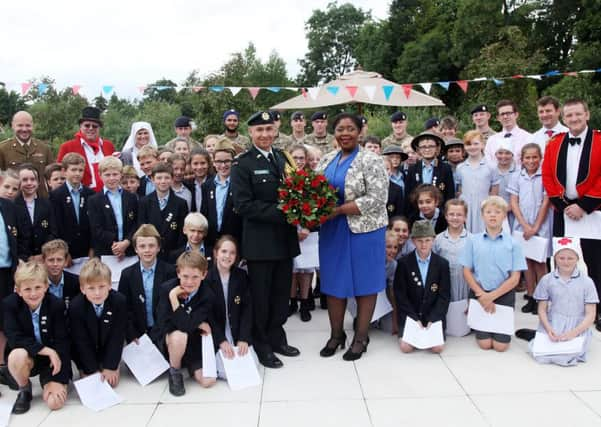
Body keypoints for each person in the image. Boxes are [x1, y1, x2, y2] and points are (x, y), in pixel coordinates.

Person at [231, 111, 300, 368]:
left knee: (281, 296)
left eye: (269, 129)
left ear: (275, 131)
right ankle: (261, 344)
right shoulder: (243, 164)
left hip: (284, 241)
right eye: (259, 130)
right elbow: (243, 205)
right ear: (250, 133)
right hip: (260, 244)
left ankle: (277, 337)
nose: (265, 135)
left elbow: (296, 189)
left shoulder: (283, 158)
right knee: (261, 298)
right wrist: (284, 211)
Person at [317, 112, 388, 361]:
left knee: (365, 283)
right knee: (334, 284)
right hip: (332, 230)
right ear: (333, 133)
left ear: (360, 132)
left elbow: (377, 199)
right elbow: (314, 191)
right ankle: (337, 335)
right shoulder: (326, 160)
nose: (345, 133)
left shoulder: (372, 160)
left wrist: (337, 210)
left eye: (350, 128)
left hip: (365, 231)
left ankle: (361, 337)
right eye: (340, 129)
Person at [541, 98, 601, 330]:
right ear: (563, 118)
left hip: (593, 211)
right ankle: (562, 308)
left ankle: (597, 310)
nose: (574, 119)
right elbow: (547, 176)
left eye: (578, 114)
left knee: (596, 264)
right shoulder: (554, 143)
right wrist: (564, 204)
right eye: (569, 116)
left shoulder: (598, 140)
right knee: (562, 263)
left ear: (587, 114)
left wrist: (584, 205)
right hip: (563, 211)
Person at [460, 196, 527, 351]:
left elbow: (515, 278)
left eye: (497, 212)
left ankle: (498, 331)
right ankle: (483, 328)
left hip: (503, 294)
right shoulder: (473, 241)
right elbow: (466, 271)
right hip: (479, 293)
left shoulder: (513, 243)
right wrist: (481, 294)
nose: (493, 215)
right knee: (485, 345)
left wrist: (491, 296)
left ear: (504, 216)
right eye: (488, 212)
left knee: (500, 346)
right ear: (482, 215)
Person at [3, 261, 70, 414]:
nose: (33, 294)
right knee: (16, 355)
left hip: (51, 361)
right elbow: (14, 338)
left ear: (46, 287)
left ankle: (48, 380)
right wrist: (46, 350)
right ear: (18, 290)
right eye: (27, 289)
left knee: (55, 403)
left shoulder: (56, 305)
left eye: (38, 287)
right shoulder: (10, 304)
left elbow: (63, 342)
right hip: (28, 356)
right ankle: (24, 388)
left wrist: (60, 378)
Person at [529, 237, 599, 366]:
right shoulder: (547, 280)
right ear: (555, 258)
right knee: (542, 354)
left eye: (570, 258)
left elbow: (590, 314)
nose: (566, 262)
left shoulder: (587, 282)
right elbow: (542, 309)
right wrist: (549, 328)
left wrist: (574, 333)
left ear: (577, 259)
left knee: (568, 356)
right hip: (553, 322)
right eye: (561, 258)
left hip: (577, 325)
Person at [155, 251, 215, 396]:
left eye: (195, 277)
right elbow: (163, 324)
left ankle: (188, 364)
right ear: (178, 273)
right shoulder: (167, 289)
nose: (189, 282)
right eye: (185, 276)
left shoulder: (207, 295)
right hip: (171, 341)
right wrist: (173, 298)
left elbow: (186, 325)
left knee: (208, 381)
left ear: (204, 274)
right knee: (179, 336)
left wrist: (188, 322)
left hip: (193, 344)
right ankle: (175, 371)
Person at [394, 220, 450, 353]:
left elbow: (444, 296)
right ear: (413, 241)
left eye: (427, 240)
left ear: (433, 240)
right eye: (419, 240)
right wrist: (414, 319)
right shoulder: (404, 263)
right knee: (406, 348)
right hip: (411, 315)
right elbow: (400, 295)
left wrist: (433, 318)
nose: (424, 244)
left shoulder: (442, 264)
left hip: (432, 316)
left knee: (437, 348)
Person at [68, 258, 126, 387]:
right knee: (93, 382)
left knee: (111, 382)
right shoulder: (76, 306)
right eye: (91, 288)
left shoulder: (119, 301)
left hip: (106, 347)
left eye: (101, 287)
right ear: (82, 289)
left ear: (110, 285)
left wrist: (111, 366)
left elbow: (117, 336)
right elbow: (80, 341)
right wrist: (91, 370)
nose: (97, 293)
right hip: (85, 350)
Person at [508, 143, 551, 314]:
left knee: (540, 262)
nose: (531, 160)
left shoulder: (545, 175)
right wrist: (525, 225)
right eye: (527, 157)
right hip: (521, 225)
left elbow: (546, 201)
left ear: (540, 158)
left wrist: (535, 227)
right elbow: (513, 201)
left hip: (541, 224)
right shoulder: (517, 176)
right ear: (522, 159)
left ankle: (543, 298)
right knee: (526, 262)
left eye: (535, 157)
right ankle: (531, 295)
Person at [119, 224, 177, 344]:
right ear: (136, 249)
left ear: (158, 247)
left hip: (164, 332)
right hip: (138, 335)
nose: (147, 250)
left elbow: (173, 306)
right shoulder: (127, 275)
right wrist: (131, 334)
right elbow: (124, 308)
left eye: (151, 245)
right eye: (142, 246)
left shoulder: (170, 272)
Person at [206, 236, 252, 369]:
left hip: (237, 330)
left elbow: (247, 309)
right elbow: (208, 315)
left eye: (232, 252)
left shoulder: (241, 276)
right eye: (224, 251)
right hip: (218, 331)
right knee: (223, 369)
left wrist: (243, 338)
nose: (228, 256)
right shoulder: (207, 278)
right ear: (216, 253)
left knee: (247, 366)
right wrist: (221, 340)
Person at [87, 157, 138, 257]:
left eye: (115, 174)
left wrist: (126, 243)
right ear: (100, 176)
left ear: (121, 175)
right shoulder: (94, 200)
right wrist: (116, 246)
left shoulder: (131, 197)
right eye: (107, 175)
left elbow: (136, 223)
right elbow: (96, 228)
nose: (111, 178)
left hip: (129, 250)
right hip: (106, 251)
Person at [287, 144, 316, 322]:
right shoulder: (283, 177)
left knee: (305, 269)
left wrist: (307, 227)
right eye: (295, 158)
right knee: (292, 269)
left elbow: (318, 204)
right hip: (289, 230)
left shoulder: (312, 179)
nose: (298, 161)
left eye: (301, 158)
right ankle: (292, 302)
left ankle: (305, 302)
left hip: (308, 231)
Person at [57, 106, 115, 192]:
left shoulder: (108, 146)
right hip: (80, 193)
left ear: (99, 128)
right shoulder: (67, 147)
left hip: (106, 194)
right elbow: (60, 173)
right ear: (80, 126)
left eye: (94, 126)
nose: (91, 128)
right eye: (87, 125)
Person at [138, 162, 188, 260]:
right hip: (150, 255)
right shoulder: (144, 202)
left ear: (172, 179)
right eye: (159, 178)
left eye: (167, 178)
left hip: (172, 255)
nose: (163, 181)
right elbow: (141, 230)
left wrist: (176, 254)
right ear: (152, 179)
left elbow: (182, 234)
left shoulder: (181, 203)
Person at [49, 153, 95, 259]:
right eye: (73, 170)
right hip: (67, 252)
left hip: (87, 251)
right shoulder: (56, 196)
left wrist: (93, 248)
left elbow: (94, 224)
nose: (77, 173)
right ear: (64, 172)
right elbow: (56, 226)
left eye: (80, 170)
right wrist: (63, 251)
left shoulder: (90, 194)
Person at [0, 111, 54, 197]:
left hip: (40, 199)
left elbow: (52, 176)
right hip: (15, 200)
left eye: (28, 125)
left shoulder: (44, 148)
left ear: (33, 126)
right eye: (20, 125)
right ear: (13, 126)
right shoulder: (2, 149)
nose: (24, 129)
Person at [200, 139, 241, 253]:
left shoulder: (240, 184)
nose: (223, 165)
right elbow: (205, 213)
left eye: (227, 161)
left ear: (233, 161)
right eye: (218, 161)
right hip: (212, 242)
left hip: (235, 242)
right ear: (213, 162)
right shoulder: (207, 186)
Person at [456, 130, 500, 234]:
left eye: (476, 143)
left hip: (483, 207)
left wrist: (490, 208)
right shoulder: (461, 167)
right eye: (468, 144)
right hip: (466, 208)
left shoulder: (491, 166)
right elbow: (460, 189)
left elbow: (494, 191)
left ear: (482, 145)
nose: (472, 147)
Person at [404, 131, 455, 217]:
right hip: (417, 216)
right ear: (418, 149)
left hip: (440, 217)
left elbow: (450, 195)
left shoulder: (445, 168)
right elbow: (408, 196)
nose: (427, 149)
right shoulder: (413, 169)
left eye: (431, 146)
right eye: (423, 147)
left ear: (437, 148)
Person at [15, 164, 57, 261]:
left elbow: (53, 232)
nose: (29, 183)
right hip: (22, 260)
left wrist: (43, 253)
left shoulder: (47, 204)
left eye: (33, 179)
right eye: (25, 180)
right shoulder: (14, 205)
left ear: (38, 182)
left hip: (44, 258)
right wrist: (27, 257)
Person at [433, 199, 470, 302]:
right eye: (451, 214)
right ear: (446, 216)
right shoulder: (438, 239)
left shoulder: (472, 240)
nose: (455, 217)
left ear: (465, 217)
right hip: (444, 284)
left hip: (465, 285)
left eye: (459, 214)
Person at [484, 100, 533, 166]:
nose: (505, 117)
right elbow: (488, 164)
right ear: (498, 118)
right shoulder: (492, 141)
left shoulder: (529, 138)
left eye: (508, 113)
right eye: (502, 114)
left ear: (516, 115)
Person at [41, 239, 80, 308]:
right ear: (44, 261)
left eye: (59, 260)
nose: (55, 264)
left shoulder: (77, 282)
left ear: (65, 261)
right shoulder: (37, 283)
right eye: (51, 260)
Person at [188, 148, 213, 213]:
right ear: (190, 165)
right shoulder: (188, 184)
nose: (199, 167)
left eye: (203, 163)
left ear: (208, 164)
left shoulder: (214, 182)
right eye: (195, 164)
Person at [385, 230, 399, 334]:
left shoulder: (393, 265)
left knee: (388, 328)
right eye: (389, 247)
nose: (393, 251)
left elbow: (392, 292)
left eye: (395, 247)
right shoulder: (372, 261)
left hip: (381, 296)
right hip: (359, 297)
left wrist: (395, 321)